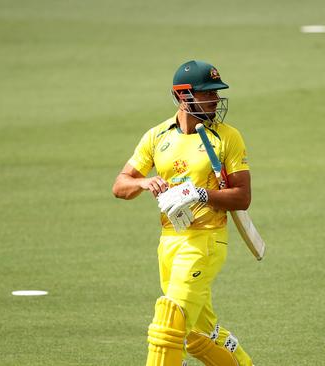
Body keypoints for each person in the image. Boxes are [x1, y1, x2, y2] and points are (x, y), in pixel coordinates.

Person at [112, 60, 254, 366]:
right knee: (198, 334)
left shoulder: (227, 137)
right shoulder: (157, 136)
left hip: (205, 242)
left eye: (217, 93)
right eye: (207, 94)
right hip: (169, 242)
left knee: (169, 322)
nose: (215, 100)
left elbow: (242, 197)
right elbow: (120, 185)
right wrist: (144, 181)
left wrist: (199, 194)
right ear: (183, 96)